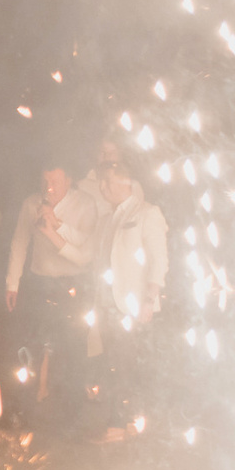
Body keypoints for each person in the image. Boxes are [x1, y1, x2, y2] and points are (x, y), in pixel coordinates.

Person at [88, 161, 170, 446]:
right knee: (113, 363)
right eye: (102, 182)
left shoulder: (147, 213)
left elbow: (159, 259)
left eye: (108, 181)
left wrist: (149, 299)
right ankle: (125, 422)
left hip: (134, 307)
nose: (103, 187)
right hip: (108, 305)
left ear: (127, 183)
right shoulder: (106, 220)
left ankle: (121, 425)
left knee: (125, 366)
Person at [4, 164, 98, 407]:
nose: (49, 187)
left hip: (73, 285)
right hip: (40, 283)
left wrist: (55, 225)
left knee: (73, 344)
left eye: (55, 181)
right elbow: (20, 243)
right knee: (34, 342)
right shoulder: (30, 204)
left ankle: (70, 405)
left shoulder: (85, 205)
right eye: (45, 180)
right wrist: (12, 283)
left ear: (69, 180)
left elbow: (85, 251)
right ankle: (28, 401)